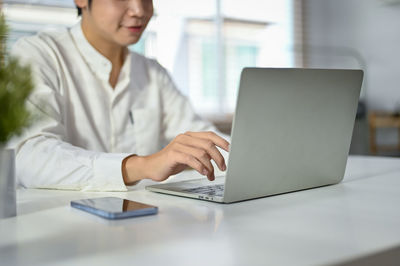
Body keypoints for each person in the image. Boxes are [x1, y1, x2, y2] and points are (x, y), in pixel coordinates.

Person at [11, 0, 229, 191]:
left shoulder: (152, 73)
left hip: (144, 225)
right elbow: (29, 156)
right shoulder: (38, 55)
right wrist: (144, 166)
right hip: (63, 228)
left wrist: (251, 155)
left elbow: (206, 141)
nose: (139, 10)